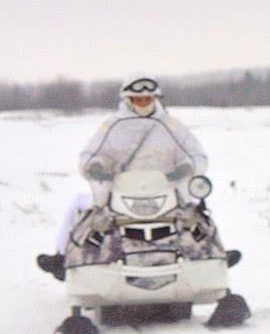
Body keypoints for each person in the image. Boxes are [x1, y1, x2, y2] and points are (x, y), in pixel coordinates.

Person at [37, 76, 209, 279]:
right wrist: (96, 166)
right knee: (79, 207)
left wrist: (185, 168)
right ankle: (62, 257)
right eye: (138, 98)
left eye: (148, 98)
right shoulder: (111, 126)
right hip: (120, 191)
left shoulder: (173, 126)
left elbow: (196, 155)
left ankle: (214, 254)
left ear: (155, 98)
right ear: (128, 99)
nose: (144, 102)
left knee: (199, 211)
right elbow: (91, 154)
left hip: (167, 190)